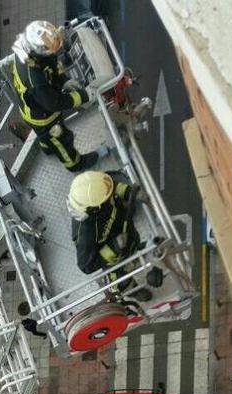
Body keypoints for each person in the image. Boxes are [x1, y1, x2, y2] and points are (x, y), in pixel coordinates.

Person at [12, 21, 97, 172]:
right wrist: (84, 96)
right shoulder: (35, 78)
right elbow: (54, 102)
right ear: (39, 51)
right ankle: (75, 164)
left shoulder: (25, 51)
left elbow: (51, 65)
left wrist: (65, 81)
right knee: (61, 139)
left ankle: (47, 147)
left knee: (46, 139)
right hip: (44, 118)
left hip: (31, 109)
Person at [67, 170, 142, 282]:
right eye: (106, 199)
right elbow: (86, 266)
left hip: (124, 226)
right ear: (95, 209)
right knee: (121, 279)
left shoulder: (98, 191)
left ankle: (138, 251)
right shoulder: (85, 235)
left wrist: (130, 192)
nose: (110, 197)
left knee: (134, 241)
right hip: (117, 255)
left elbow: (111, 187)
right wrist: (114, 246)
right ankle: (133, 290)